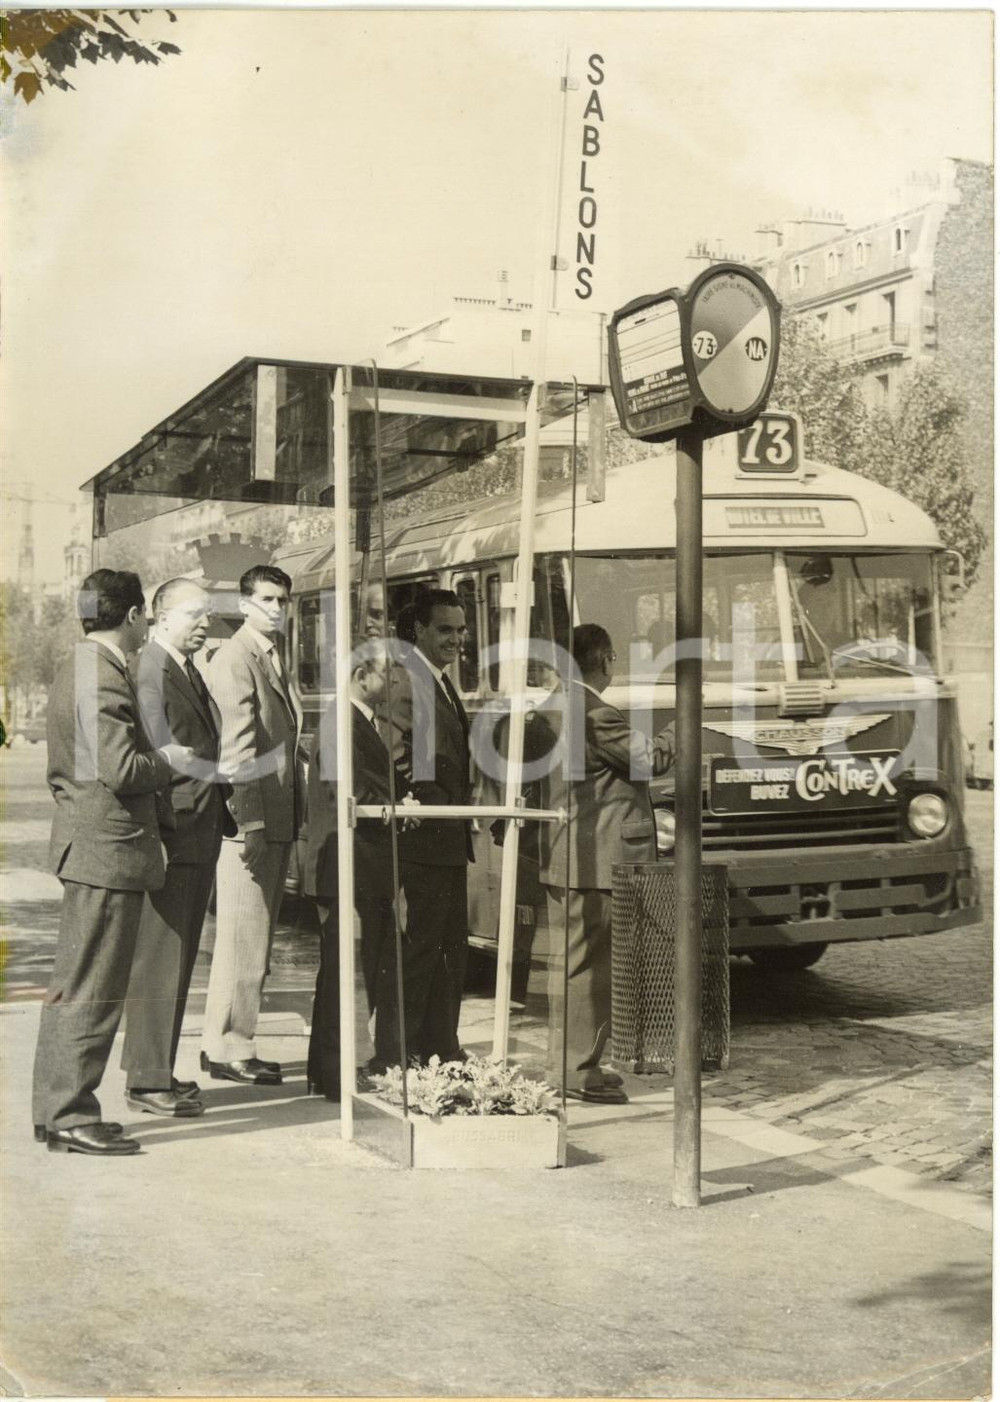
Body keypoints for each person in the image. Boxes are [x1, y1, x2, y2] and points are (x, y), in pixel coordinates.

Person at [32, 569, 194, 1155]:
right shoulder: (100, 673)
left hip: (96, 847)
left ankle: (58, 1112)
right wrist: (169, 758)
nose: (147, 625)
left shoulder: (81, 665)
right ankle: (71, 1114)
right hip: (108, 850)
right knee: (94, 988)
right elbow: (121, 769)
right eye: (144, 617)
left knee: (78, 985)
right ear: (130, 617)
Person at [537, 623, 674, 1105]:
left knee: (574, 968)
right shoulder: (594, 712)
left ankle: (573, 1062)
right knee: (590, 970)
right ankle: (576, 1069)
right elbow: (650, 761)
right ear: (605, 660)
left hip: (568, 855)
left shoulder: (553, 704)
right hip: (596, 860)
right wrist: (682, 726)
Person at [121, 579, 237, 1118]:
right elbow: (155, 760)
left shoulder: (180, 668)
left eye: (208, 615)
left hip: (196, 829)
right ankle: (146, 1081)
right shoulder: (152, 669)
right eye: (195, 613)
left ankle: (157, 1071)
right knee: (161, 958)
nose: (205, 623)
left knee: (177, 956)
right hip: (174, 833)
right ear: (159, 614)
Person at [200, 564, 303, 1086]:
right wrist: (253, 824)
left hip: (273, 820)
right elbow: (236, 752)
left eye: (282, 600)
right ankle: (226, 1047)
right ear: (243, 604)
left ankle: (232, 1039)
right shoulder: (237, 659)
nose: (276, 609)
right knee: (243, 940)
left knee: (253, 941)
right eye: (265, 599)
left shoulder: (270, 657)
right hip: (253, 825)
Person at [303, 644, 415, 1098]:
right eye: (388, 673)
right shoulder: (341, 724)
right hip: (345, 865)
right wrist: (395, 806)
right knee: (342, 973)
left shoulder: (360, 722)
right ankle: (334, 1075)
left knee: (350, 971)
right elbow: (346, 793)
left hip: (361, 865)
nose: (395, 682)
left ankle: (329, 1070)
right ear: (360, 674)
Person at [389, 589, 473, 1065]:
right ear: (419, 629)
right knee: (423, 951)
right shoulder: (408, 680)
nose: (456, 639)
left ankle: (440, 1047)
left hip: (447, 839)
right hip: (426, 841)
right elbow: (399, 752)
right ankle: (405, 1055)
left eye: (461, 630)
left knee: (448, 951)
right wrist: (432, 805)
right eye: (445, 629)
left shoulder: (436, 679)